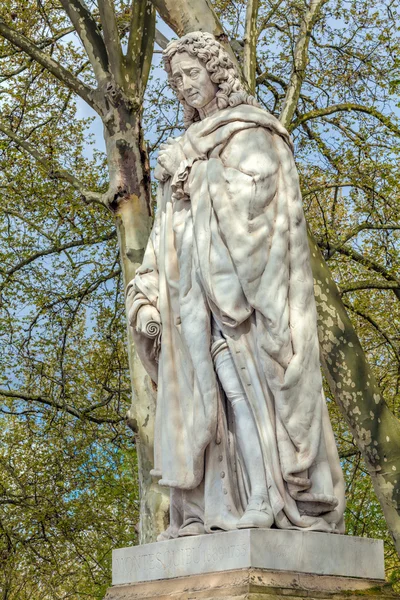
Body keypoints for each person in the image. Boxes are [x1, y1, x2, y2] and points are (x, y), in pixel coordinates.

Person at [126, 31, 345, 539]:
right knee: (207, 402)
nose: (183, 86)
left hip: (240, 304)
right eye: (176, 79)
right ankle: (215, 506)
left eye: (191, 73)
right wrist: (149, 288)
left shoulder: (252, 133)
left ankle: (266, 495)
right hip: (191, 304)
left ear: (216, 72)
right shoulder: (180, 151)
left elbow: (256, 209)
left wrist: (197, 176)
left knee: (239, 394)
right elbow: (165, 234)